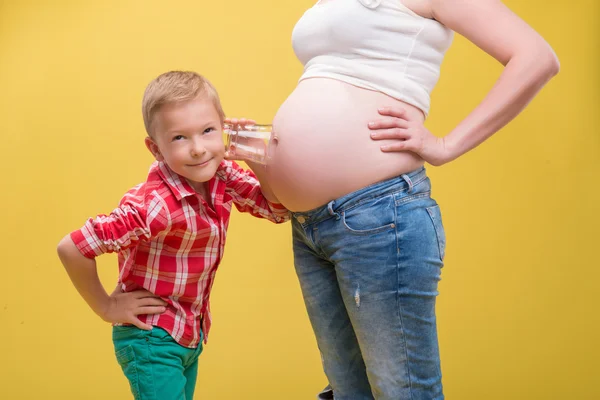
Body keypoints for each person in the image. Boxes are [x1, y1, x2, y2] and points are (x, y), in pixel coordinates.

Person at [232, 0, 559, 399]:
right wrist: (268, 159)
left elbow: (536, 57)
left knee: (403, 392)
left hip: (379, 215)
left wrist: (444, 145)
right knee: (349, 390)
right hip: (311, 227)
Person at [56, 70, 289, 400]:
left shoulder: (222, 174)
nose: (198, 149)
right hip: (152, 338)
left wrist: (257, 158)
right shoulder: (154, 205)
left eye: (208, 131)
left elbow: (277, 210)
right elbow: (72, 247)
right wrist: (106, 307)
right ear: (156, 148)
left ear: (224, 128)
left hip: (189, 333)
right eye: (179, 138)